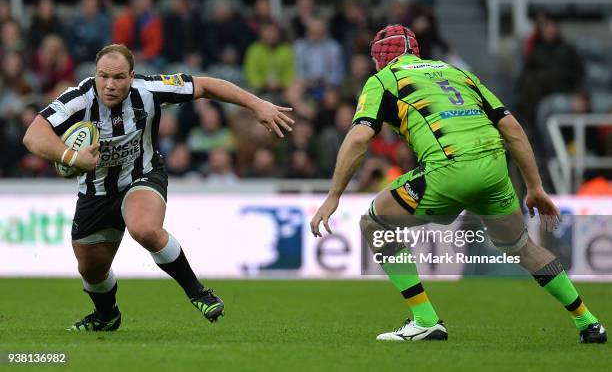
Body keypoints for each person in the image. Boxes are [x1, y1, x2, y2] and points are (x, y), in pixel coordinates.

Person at [309, 25, 606, 344]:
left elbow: (358, 139)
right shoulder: (458, 73)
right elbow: (513, 128)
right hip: (495, 168)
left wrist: (333, 196)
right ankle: (589, 323)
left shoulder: (384, 79)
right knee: (521, 246)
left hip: (449, 166)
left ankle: (425, 320)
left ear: (381, 59)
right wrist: (535, 188)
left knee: (374, 222)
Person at [22, 44, 293, 331]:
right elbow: (33, 134)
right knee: (91, 269)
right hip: (96, 191)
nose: (110, 85)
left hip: (143, 175)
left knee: (145, 228)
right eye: (104, 77)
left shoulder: (149, 90)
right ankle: (106, 316)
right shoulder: (78, 100)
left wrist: (257, 105)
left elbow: (205, 85)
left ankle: (198, 292)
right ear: (95, 75)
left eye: (118, 77)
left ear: (132, 76)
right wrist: (72, 157)